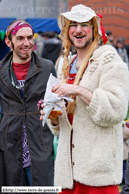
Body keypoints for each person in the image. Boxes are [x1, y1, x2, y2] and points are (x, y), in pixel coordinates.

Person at [40, 4, 129, 194]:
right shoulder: (67, 64)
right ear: (67, 30)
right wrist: (52, 113)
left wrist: (78, 90)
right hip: (68, 171)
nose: (78, 30)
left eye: (84, 25)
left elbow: (116, 110)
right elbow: (63, 124)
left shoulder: (111, 61)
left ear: (94, 30)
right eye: (73, 24)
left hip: (96, 172)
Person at [0, 19, 56, 187]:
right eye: (20, 38)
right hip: (10, 148)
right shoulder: (1, 70)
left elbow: (56, 105)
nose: (27, 43)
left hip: (40, 147)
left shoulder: (47, 67)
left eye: (30, 38)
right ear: (9, 41)